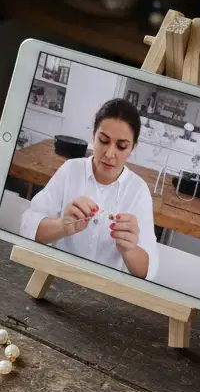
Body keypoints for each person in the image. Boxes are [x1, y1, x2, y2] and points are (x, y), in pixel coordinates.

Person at [19, 98, 159, 280]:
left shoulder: (138, 190)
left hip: (105, 291)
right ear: (93, 136)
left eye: (121, 146)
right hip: (57, 277)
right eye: (103, 141)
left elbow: (148, 270)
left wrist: (130, 249)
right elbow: (27, 226)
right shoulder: (71, 170)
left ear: (132, 148)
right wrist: (62, 226)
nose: (109, 154)